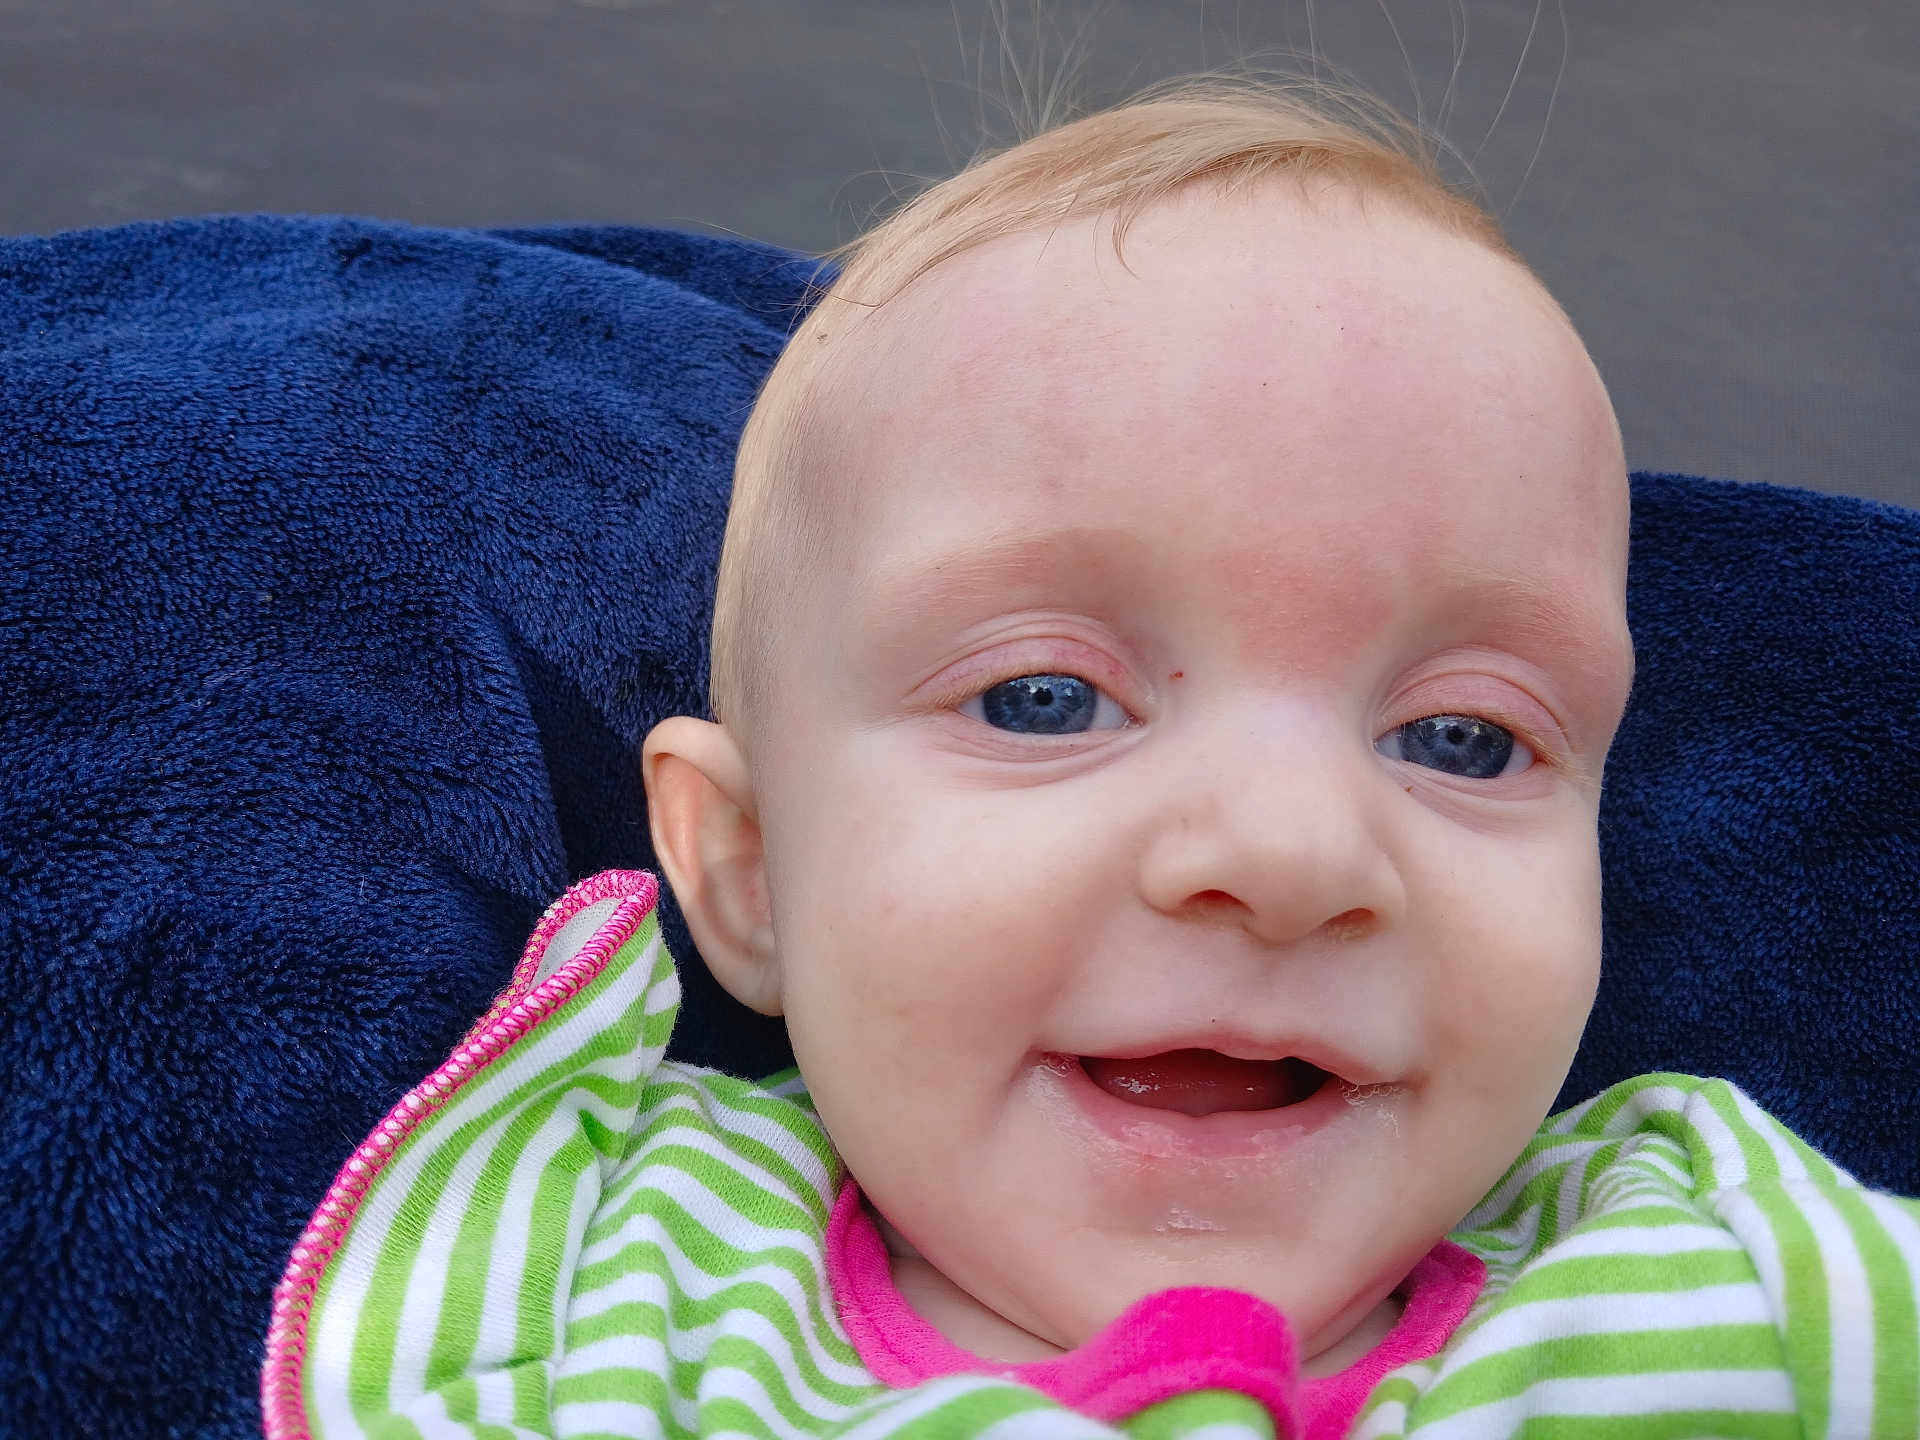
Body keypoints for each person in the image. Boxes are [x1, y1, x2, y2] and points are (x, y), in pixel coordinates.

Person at [261, 81, 1920, 1439]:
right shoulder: (625, 1278)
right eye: (1046, 700)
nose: (1286, 853)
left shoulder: (1719, 1276)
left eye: (1463, 738)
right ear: (753, 872)